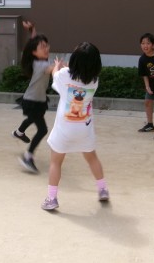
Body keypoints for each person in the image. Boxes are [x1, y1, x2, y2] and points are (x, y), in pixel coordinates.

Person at [42, 42, 109, 211]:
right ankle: (102, 189)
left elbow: (56, 76)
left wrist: (57, 66)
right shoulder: (94, 81)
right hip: (84, 128)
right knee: (92, 158)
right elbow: (79, 77)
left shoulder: (64, 75)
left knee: (56, 162)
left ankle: (51, 198)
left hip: (64, 129)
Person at [13, 20, 55, 174]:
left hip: (38, 100)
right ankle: (28, 157)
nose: (46, 48)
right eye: (43, 47)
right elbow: (53, 69)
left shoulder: (39, 60)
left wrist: (32, 30)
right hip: (32, 101)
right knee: (42, 129)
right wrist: (71, 66)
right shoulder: (41, 65)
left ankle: (19, 132)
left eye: (47, 45)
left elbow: (34, 42)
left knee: (32, 118)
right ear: (34, 52)